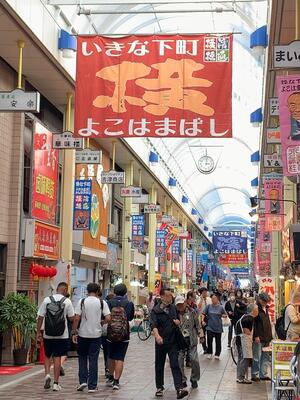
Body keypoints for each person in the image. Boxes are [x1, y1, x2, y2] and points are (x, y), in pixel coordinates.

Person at [72, 283, 111, 393]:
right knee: (93, 359)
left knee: (82, 357)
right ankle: (92, 386)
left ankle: (83, 381)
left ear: (87, 291)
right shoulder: (102, 302)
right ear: (98, 290)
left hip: (83, 334)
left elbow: (76, 318)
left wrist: (74, 332)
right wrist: (101, 322)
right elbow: (108, 317)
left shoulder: (82, 301)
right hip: (96, 335)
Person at [151, 288, 188, 399]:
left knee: (175, 364)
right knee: (159, 365)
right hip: (161, 342)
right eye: (167, 296)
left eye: (171, 295)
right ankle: (159, 387)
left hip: (173, 341)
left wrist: (178, 322)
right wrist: (157, 336)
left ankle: (179, 389)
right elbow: (153, 325)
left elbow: (177, 320)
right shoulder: (156, 310)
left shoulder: (173, 308)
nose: (170, 298)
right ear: (162, 297)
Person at [37, 282, 74, 391]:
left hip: (48, 334)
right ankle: (56, 383)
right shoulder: (67, 301)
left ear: (57, 289)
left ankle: (47, 374)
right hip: (62, 334)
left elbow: (40, 317)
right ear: (65, 290)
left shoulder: (47, 300)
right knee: (57, 357)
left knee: (47, 356)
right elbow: (72, 318)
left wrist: (38, 332)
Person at [106, 283, 135, 391]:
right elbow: (130, 317)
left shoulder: (109, 302)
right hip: (124, 334)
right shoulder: (129, 303)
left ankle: (110, 377)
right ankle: (116, 381)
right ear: (125, 292)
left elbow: (107, 316)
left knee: (111, 356)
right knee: (120, 358)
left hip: (111, 333)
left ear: (114, 291)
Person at [175, 295, 203, 389]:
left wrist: (201, 335)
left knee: (194, 360)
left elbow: (197, 325)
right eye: (178, 305)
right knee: (179, 361)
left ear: (185, 303)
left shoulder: (192, 312)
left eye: (181, 304)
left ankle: (194, 379)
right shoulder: (174, 313)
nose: (180, 306)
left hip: (191, 339)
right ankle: (182, 379)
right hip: (179, 341)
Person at [235, 303, 259, 384]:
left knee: (241, 359)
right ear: (253, 310)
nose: (258, 311)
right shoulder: (249, 319)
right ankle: (241, 377)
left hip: (239, 340)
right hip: (243, 340)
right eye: (257, 309)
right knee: (245, 359)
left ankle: (240, 377)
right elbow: (247, 331)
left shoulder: (244, 316)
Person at [251, 292, 272, 382]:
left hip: (267, 336)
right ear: (260, 300)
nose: (266, 303)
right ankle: (255, 374)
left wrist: (270, 336)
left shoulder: (266, 308)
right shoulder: (256, 309)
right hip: (259, 336)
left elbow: (268, 323)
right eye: (264, 301)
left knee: (265, 356)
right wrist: (256, 336)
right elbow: (253, 324)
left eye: (267, 301)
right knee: (257, 356)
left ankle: (263, 374)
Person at [202, 293, 227, 360]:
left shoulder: (221, 307)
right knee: (209, 339)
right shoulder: (208, 306)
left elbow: (225, 314)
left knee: (218, 341)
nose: (213, 300)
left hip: (218, 326)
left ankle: (217, 354)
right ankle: (210, 353)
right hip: (210, 326)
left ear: (217, 299)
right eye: (212, 298)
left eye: (214, 298)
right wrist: (202, 321)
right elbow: (203, 314)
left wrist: (224, 316)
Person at [102, 293, 115, 378]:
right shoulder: (115, 306)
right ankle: (109, 369)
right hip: (114, 331)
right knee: (111, 352)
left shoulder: (104, 305)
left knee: (105, 351)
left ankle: (107, 369)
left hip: (104, 331)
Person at [197, 287, 212, 354]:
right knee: (202, 334)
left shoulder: (209, 299)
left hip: (208, 317)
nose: (205, 294)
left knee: (209, 333)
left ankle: (209, 348)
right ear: (201, 293)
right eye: (204, 293)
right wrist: (201, 299)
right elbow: (198, 307)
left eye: (206, 292)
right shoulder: (198, 299)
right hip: (200, 317)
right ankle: (204, 348)